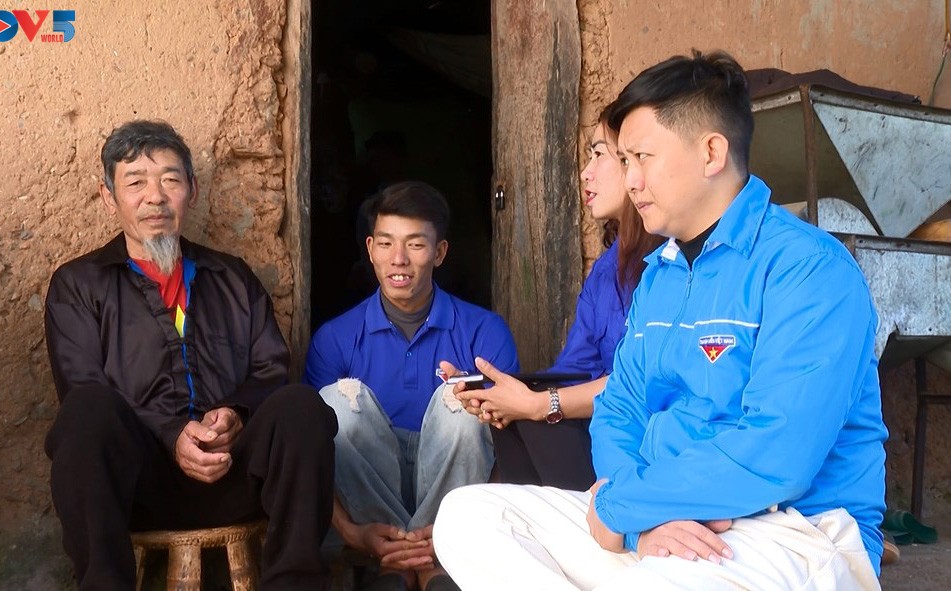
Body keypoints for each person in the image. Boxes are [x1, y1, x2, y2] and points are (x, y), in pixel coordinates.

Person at [434, 50, 888, 590]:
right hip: (656, 519)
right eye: (624, 161)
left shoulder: (807, 269)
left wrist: (621, 508)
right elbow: (621, 407)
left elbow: (778, 453)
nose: (631, 181)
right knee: (468, 517)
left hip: (791, 531)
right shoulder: (661, 275)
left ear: (711, 152)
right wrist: (637, 523)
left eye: (641, 158)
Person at [44, 120, 337, 590]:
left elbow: (271, 370)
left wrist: (236, 413)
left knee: (302, 407)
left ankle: (294, 584)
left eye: (170, 180)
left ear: (192, 191)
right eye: (135, 183)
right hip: (140, 485)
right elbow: (82, 384)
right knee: (85, 412)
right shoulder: (79, 284)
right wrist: (170, 432)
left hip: (234, 473)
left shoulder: (232, 277)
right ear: (108, 197)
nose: (155, 197)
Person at [304, 180, 519, 591]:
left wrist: (462, 530)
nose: (398, 259)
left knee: (462, 402)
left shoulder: (484, 332)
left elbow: (511, 443)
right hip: (365, 503)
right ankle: (407, 560)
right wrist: (351, 532)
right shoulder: (335, 339)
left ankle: (418, 563)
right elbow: (309, 454)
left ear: (439, 252)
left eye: (416, 245)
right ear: (370, 249)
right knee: (336, 404)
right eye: (386, 244)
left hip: (455, 507)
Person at [455, 107, 663, 491]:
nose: (585, 172)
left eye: (598, 154)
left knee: (540, 417)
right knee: (516, 414)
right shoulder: (605, 270)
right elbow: (574, 369)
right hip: (604, 423)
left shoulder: (669, 263)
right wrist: (498, 392)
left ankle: (593, 520)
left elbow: (642, 381)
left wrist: (541, 404)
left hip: (644, 437)